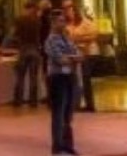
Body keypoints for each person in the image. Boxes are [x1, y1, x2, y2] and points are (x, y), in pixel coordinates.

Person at [44, 10, 80, 156]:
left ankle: (67, 144)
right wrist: (73, 58)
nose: (63, 23)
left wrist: (72, 57)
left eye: (63, 20)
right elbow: (60, 59)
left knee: (68, 113)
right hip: (57, 78)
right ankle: (57, 146)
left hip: (70, 76)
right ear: (53, 23)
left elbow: (78, 54)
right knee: (58, 114)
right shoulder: (50, 40)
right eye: (60, 21)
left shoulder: (67, 38)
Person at [65, 1, 99, 112]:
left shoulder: (86, 23)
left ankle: (90, 105)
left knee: (85, 77)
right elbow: (67, 38)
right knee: (77, 79)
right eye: (67, 11)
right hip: (75, 55)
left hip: (89, 53)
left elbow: (93, 35)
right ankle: (77, 103)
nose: (69, 14)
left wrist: (78, 39)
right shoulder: (69, 25)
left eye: (70, 11)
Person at [11, 0, 42, 107]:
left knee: (20, 77)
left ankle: (17, 101)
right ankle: (33, 102)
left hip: (23, 49)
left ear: (26, 8)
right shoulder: (37, 20)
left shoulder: (19, 20)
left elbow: (14, 35)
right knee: (33, 78)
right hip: (35, 49)